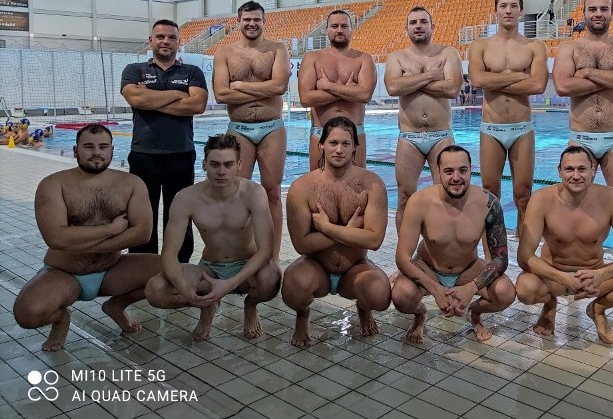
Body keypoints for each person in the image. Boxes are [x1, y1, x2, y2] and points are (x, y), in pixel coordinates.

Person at [13, 125, 161, 351]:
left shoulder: (132, 184)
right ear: (75, 150)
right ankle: (61, 319)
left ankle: (116, 306)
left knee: (170, 271)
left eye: (103, 147)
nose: (96, 153)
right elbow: (56, 239)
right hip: (64, 273)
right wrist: (111, 230)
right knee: (28, 315)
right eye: (88, 147)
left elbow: (142, 233)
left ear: (112, 150)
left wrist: (81, 241)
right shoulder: (54, 184)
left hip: (113, 269)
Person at [145, 134, 281, 341]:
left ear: (239, 165)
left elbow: (265, 251)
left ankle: (250, 305)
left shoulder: (253, 193)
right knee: (155, 290)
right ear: (204, 165)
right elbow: (169, 254)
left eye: (228, 164)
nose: (221, 171)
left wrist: (231, 283)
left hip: (248, 265)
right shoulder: (186, 198)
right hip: (211, 269)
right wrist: (186, 290)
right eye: (215, 164)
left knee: (271, 279)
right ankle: (208, 305)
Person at [516, 146, 613, 344]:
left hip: (595, 275)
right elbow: (524, 255)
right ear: (559, 171)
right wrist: (565, 279)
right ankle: (549, 304)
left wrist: (601, 275)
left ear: (593, 171)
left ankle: (598, 309)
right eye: (569, 169)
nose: (576, 175)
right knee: (526, 289)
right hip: (555, 276)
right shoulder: (542, 199)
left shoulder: (610, 197)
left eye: (582, 169)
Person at [281, 117, 390, 346]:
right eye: (333, 143)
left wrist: (327, 227)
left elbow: (374, 239)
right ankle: (302, 316)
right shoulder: (302, 187)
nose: (339, 150)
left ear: (355, 148)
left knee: (379, 294)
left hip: (355, 267)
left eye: (346, 144)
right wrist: (349, 231)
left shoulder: (372, 184)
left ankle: (364, 308)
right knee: (293, 287)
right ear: (321, 145)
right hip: (315, 266)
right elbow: (301, 244)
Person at [393, 145, 515, 343]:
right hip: (429, 267)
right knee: (401, 296)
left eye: (462, 170)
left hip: (468, 269)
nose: (456, 177)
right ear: (438, 173)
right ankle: (420, 314)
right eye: (449, 171)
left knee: (505, 293)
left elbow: (500, 259)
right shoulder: (419, 202)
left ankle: (474, 313)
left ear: (470, 170)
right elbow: (402, 257)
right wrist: (435, 289)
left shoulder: (488, 203)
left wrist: (471, 289)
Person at [121, 19, 208, 262]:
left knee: (179, 215)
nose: (165, 41)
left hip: (181, 154)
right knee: (142, 215)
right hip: (143, 154)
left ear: (179, 43)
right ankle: (142, 266)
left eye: (171, 37)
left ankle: (178, 265)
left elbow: (197, 105)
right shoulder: (134, 69)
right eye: (160, 37)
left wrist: (150, 97)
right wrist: (177, 95)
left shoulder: (192, 72)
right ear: (151, 41)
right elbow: (136, 101)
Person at [552, 0, 613, 220]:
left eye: (604, 9)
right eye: (592, 9)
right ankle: (577, 256)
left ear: (612, 12)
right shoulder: (569, 48)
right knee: (572, 204)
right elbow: (562, 86)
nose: (598, 14)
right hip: (580, 137)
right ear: (584, 13)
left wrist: (588, 72)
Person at [213, 1, 290, 264]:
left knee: (273, 193)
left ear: (264, 21)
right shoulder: (224, 52)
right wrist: (264, 87)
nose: (252, 24)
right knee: (237, 193)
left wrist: (241, 85)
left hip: (272, 129)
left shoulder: (277, 49)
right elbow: (221, 94)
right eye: (247, 19)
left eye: (256, 19)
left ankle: (274, 257)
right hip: (239, 130)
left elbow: (279, 86)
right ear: (238, 21)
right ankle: (242, 255)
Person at [469, 0, 548, 234]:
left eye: (514, 5)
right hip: (491, 128)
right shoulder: (480, 45)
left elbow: (538, 85)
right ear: (495, 11)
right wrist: (517, 77)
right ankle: (494, 259)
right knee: (489, 193)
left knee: (523, 195)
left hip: (521, 129)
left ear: (521, 11)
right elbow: (477, 81)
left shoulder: (535, 46)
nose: (508, 10)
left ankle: (524, 260)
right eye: (503, 6)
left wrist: (495, 80)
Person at [384, 6, 463, 230]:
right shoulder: (396, 57)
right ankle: (404, 257)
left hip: (442, 136)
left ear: (432, 26)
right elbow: (392, 87)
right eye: (413, 22)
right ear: (406, 29)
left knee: (446, 196)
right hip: (410, 137)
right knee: (405, 197)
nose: (418, 25)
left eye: (423, 21)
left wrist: (411, 81)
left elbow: (453, 89)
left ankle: (442, 255)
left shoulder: (448, 53)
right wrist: (430, 75)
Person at [298, 10, 377, 170]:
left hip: (354, 132)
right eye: (334, 26)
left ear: (350, 29)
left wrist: (329, 86)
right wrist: (348, 91)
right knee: (318, 187)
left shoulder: (364, 59)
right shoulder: (312, 58)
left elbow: (365, 95)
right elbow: (306, 99)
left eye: (344, 26)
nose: (339, 30)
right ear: (327, 29)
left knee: (355, 188)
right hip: (321, 132)